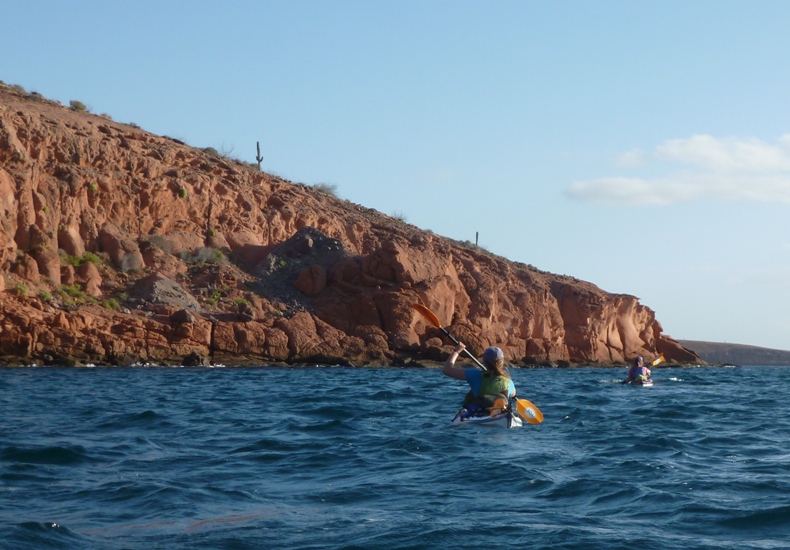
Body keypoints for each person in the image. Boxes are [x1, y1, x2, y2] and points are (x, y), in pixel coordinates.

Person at [442, 342, 516, 411]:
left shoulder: (475, 375)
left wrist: (457, 351)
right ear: (502, 362)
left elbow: (447, 370)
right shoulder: (509, 382)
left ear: (484, 362)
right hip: (500, 412)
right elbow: (514, 394)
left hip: (478, 412)